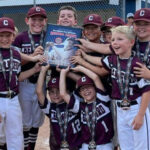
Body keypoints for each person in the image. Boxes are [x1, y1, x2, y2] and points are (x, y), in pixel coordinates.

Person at [99, 25, 150, 150]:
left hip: (136, 108)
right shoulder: (113, 60)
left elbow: (147, 90)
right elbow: (97, 63)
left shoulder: (137, 63)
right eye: (113, 40)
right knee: (126, 146)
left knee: (141, 146)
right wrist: (80, 59)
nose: (115, 43)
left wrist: (140, 115)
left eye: (120, 39)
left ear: (131, 42)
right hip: (120, 109)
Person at [0, 17, 42, 150]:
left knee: (16, 136)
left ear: (13, 36)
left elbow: (18, 77)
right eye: (1, 35)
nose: (5, 39)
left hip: (13, 99)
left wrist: (34, 69)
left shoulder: (16, 54)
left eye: (8, 35)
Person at [12, 6, 47, 150]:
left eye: (40, 19)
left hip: (42, 82)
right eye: (33, 19)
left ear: (45, 21)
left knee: (37, 119)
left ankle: (31, 146)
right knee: (25, 120)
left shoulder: (49, 35)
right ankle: (25, 147)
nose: (37, 22)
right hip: (25, 82)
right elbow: (14, 62)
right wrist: (32, 57)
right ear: (27, 20)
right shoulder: (21, 37)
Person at [60, 65, 114, 150]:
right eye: (83, 89)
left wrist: (80, 68)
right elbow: (63, 94)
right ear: (80, 93)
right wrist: (63, 72)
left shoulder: (103, 99)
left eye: (88, 87)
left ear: (95, 88)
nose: (86, 91)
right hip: (87, 145)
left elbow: (95, 78)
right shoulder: (80, 107)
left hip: (105, 144)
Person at [36, 64, 82, 150]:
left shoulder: (74, 102)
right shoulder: (50, 108)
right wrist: (43, 71)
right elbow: (39, 92)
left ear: (66, 91)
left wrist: (65, 73)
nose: (55, 95)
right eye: (52, 92)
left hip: (77, 146)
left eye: (58, 91)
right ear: (48, 94)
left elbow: (81, 81)